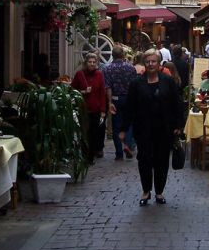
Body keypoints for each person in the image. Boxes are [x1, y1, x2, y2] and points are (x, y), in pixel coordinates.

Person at [120, 49, 184, 206]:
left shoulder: (167, 81)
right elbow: (130, 107)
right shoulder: (136, 83)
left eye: (153, 61)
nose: (150, 64)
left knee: (162, 161)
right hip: (143, 129)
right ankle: (146, 190)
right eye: (148, 61)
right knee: (145, 160)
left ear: (158, 63)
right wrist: (123, 128)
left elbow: (177, 104)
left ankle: (160, 192)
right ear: (144, 63)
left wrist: (178, 125)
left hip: (164, 128)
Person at [102, 46, 138, 160]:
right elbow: (134, 85)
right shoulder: (130, 68)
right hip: (129, 98)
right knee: (129, 123)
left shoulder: (108, 69)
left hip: (116, 99)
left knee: (116, 126)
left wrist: (109, 102)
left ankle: (119, 152)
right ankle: (128, 145)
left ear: (112, 55)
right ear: (123, 55)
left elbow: (108, 87)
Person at [72, 51, 107, 162]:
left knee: (93, 133)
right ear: (85, 62)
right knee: (84, 132)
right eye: (90, 62)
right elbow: (72, 90)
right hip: (83, 108)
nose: (92, 64)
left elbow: (102, 92)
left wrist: (103, 109)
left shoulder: (99, 74)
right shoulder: (79, 74)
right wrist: (83, 91)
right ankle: (84, 153)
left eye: (94, 62)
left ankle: (90, 156)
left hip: (95, 109)